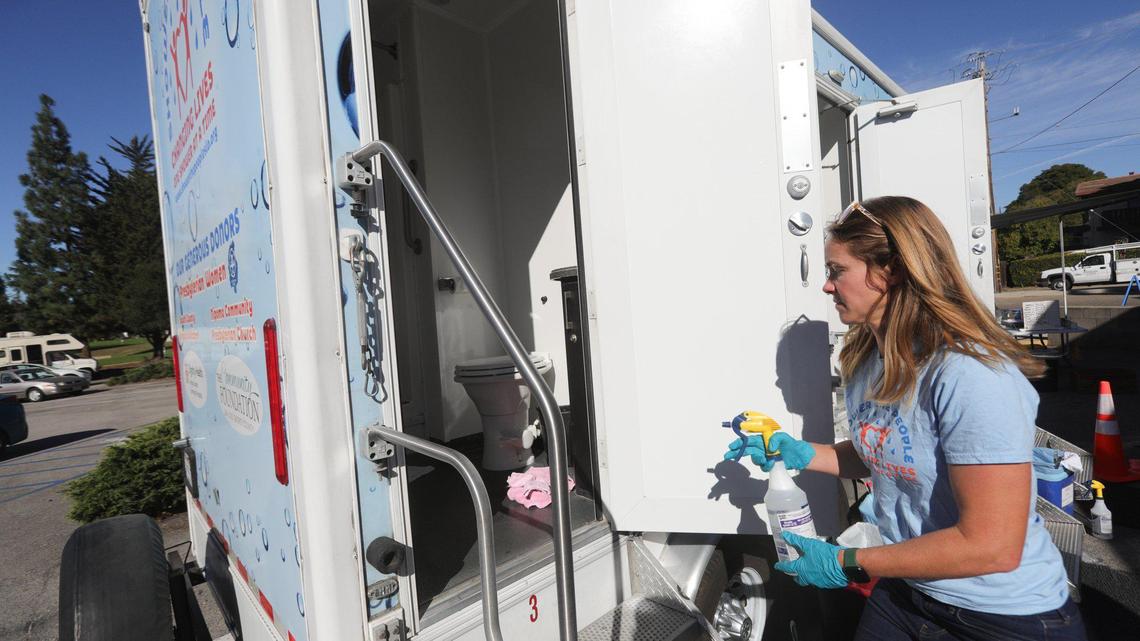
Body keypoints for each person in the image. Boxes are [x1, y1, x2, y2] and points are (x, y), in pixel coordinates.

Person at [725, 196, 1086, 640]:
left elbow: (992, 546)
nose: (826, 286)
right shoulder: (868, 360)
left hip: (1001, 615)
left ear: (891, 271)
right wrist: (799, 452)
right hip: (911, 591)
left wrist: (847, 562)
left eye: (837, 270)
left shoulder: (969, 374)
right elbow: (886, 454)